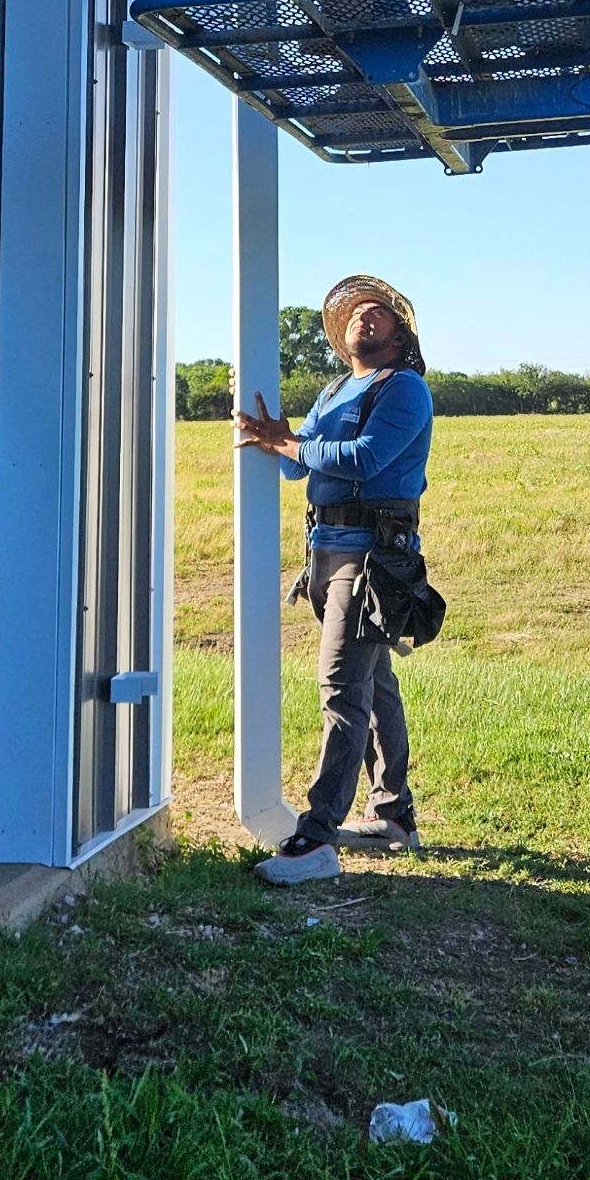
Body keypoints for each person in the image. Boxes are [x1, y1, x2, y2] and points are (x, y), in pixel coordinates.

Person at [233, 273, 434, 886]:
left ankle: (317, 840)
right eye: (356, 313)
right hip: (325, 555)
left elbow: (363, 458)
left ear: (399, 338)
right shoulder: (334, 390)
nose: (363, 318)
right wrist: (279, 439)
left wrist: (290, 443)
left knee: (342, 688)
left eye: (378, 314)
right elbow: (300, 470)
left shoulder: (403, 388)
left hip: (373, 560)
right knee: (375, 685)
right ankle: (393, 815)